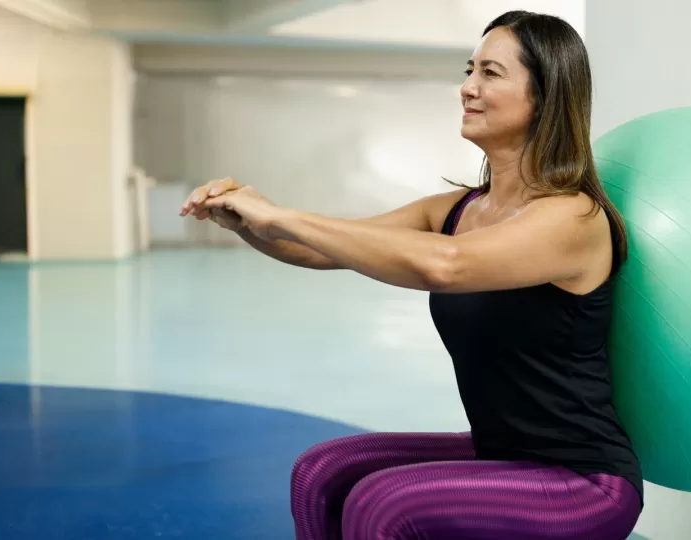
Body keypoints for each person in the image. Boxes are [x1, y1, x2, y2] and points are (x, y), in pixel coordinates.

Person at [180, 10, 643, 540]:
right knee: (320, 472)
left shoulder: (571, 218)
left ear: (546, 95)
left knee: (385, 505)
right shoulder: (455, 210)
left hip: (581, 480)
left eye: (490, 73)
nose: (466, 88)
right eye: (469, 69)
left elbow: (447, 265)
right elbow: (317, 250)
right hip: (500, 454)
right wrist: (244, 219)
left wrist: (281, 214)